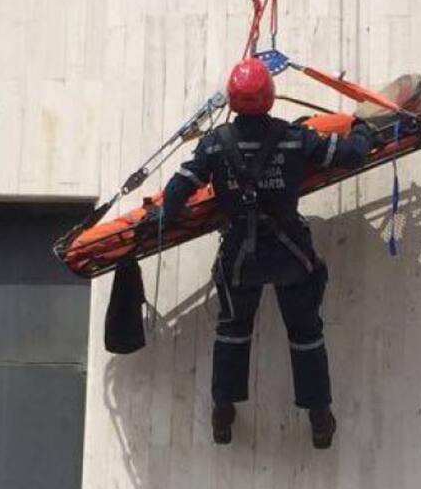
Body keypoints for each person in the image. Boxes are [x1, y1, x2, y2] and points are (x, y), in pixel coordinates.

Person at [156, 56, 372, 448]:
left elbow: (178, 190)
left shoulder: (215, 145)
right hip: (290, 255)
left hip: (241, 259)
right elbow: (351, 155)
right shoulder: (293, 138)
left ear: (233, 101)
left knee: (233, 330)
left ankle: (223, 413)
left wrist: (159, 218)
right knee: (306, 332)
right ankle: (319, 418)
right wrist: (361, 128)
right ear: (270, 97)